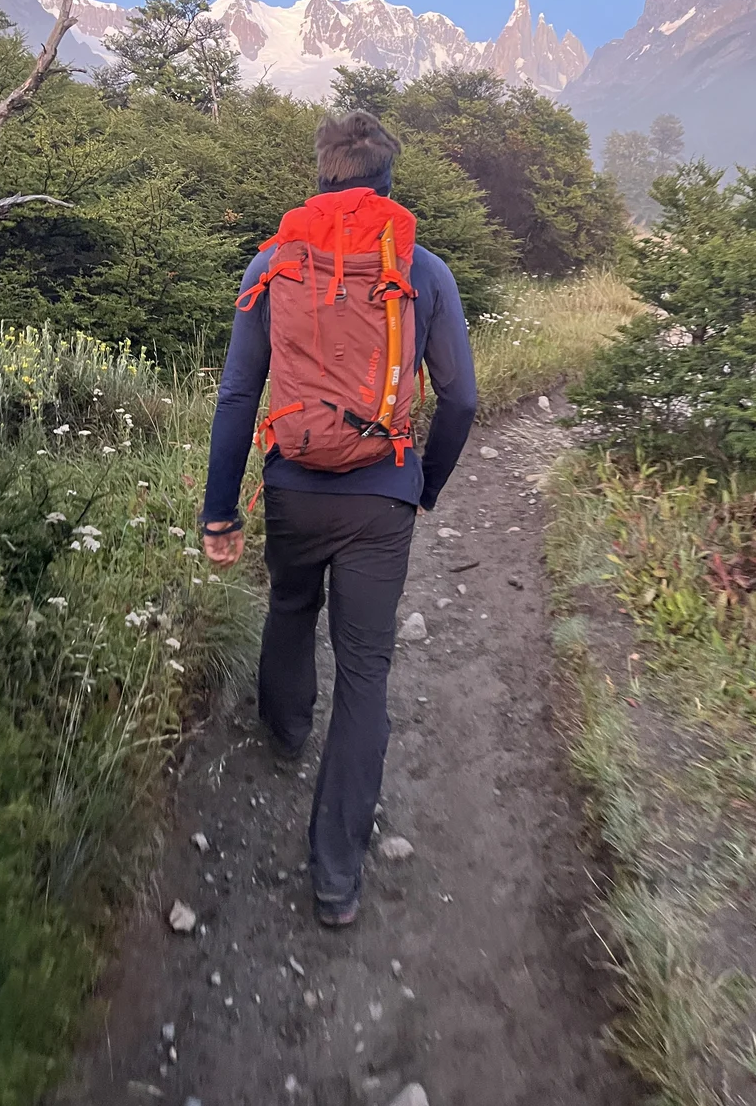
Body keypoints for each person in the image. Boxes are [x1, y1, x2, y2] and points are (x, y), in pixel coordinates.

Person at [201, 110, 476, 926]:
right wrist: (423, 486)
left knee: (291, 603)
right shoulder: (423, 269)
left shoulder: (272, 263)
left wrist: (220, 511)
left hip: (292, 483)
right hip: (382, 495)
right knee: (365, 669)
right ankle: (335, 877)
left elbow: (237, 395)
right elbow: (461, 397)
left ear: (319, 177)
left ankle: (285, 729)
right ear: (388, 185)